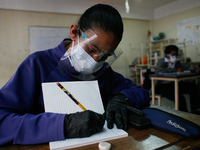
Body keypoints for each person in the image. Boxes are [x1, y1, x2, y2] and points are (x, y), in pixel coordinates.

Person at [0, 4, 150, 146]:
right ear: (74, 32)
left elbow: (141, 92)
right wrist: (63, 125)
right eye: (91, 49)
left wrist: (121, 98)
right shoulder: (38, 65)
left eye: (104, 57)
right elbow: (3, 122)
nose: (95, 61)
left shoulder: (104, 73)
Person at [155, 45, 200, 114]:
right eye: (173, 55)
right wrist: (175, 70)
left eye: (176, 55)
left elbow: (185, 67)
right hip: (162, 86)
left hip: (174, 84)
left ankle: (195, 110)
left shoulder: (176, 63)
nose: (175, 57)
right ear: (166, 55)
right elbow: (158, 71)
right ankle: (184, 116)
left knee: (193, 87)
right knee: (180, 98)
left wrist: (195, 69)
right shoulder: (161, 62)